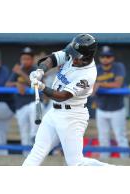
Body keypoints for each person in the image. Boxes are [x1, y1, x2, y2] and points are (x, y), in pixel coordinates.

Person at [23, 34, 110, 166]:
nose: (72, 58)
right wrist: (40, 71)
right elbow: (52, 59)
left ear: (88, 57)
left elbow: (63, 95)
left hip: (72, 116)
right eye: (73, 54)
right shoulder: (73, 53)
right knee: (37, 152)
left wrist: (41, 87)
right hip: (54, 112)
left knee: (75, 164)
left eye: (77, 57)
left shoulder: (88, 75)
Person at [94, 46, 129, 158]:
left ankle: (126, 163)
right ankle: (104, 162)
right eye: (103, 56)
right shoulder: (96, 69)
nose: (105, 59)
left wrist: (100, 84)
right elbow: (91, 87)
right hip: (101, 109)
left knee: (120, 137)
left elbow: (117, 84)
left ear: (112, 58)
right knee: (103, 138)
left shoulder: (118, 67)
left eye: (108, 56)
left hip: (117, 109)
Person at [6, 47, 37, 150]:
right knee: (24, 135)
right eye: (23, 59)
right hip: (20, 106)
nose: (25, 61)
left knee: (34, 108)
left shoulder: (35, 70)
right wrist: (17, 83)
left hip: (33, 102)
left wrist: (21, 74)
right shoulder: (18, 70)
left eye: (27, 59)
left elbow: (35, 83)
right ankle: (26, 160)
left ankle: (34, 135)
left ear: (32, 60)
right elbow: (7, 85)